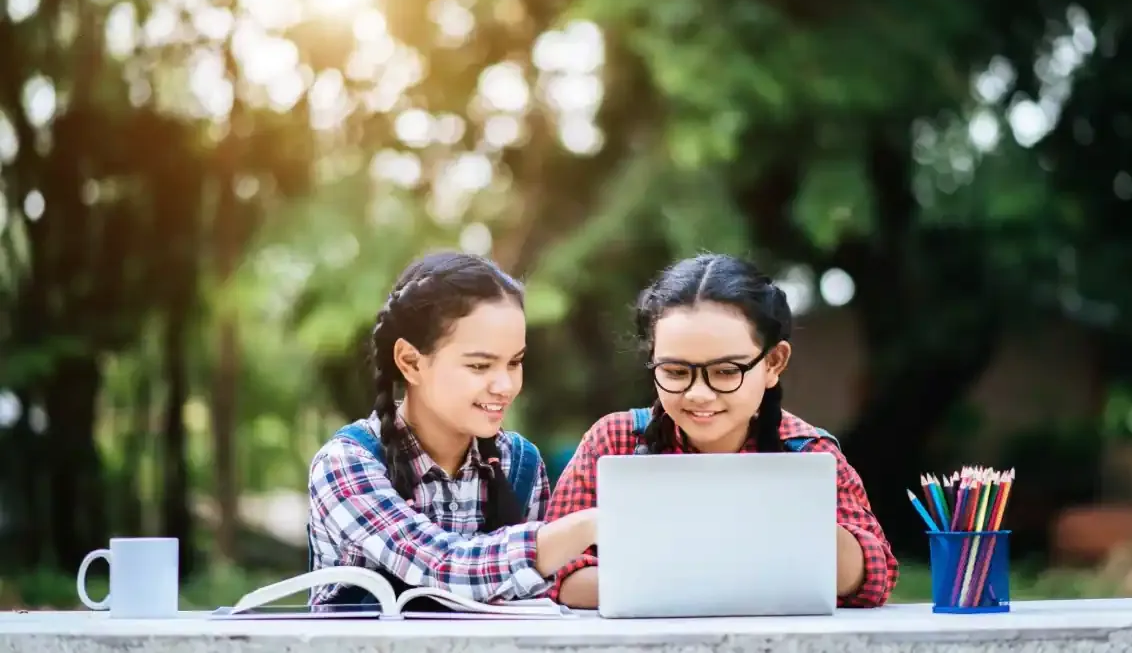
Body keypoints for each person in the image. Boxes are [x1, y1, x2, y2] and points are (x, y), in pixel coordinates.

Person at [545, 253, 898, 609]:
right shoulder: (614, 442)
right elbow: (557, 575)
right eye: (676, 372)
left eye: (727, 371)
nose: (699, 394)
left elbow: (874, 579)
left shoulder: (807, 452)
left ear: (774, 363)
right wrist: (718, 579)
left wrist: (797, 515)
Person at [306, 251, 597, 605]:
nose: (505, 385)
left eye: (515, 362)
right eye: (479, 366)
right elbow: (441, 566)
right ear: (411, 362)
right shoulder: (346, 464)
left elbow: (538, 602)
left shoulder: (520, 464)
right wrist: (583, 527)